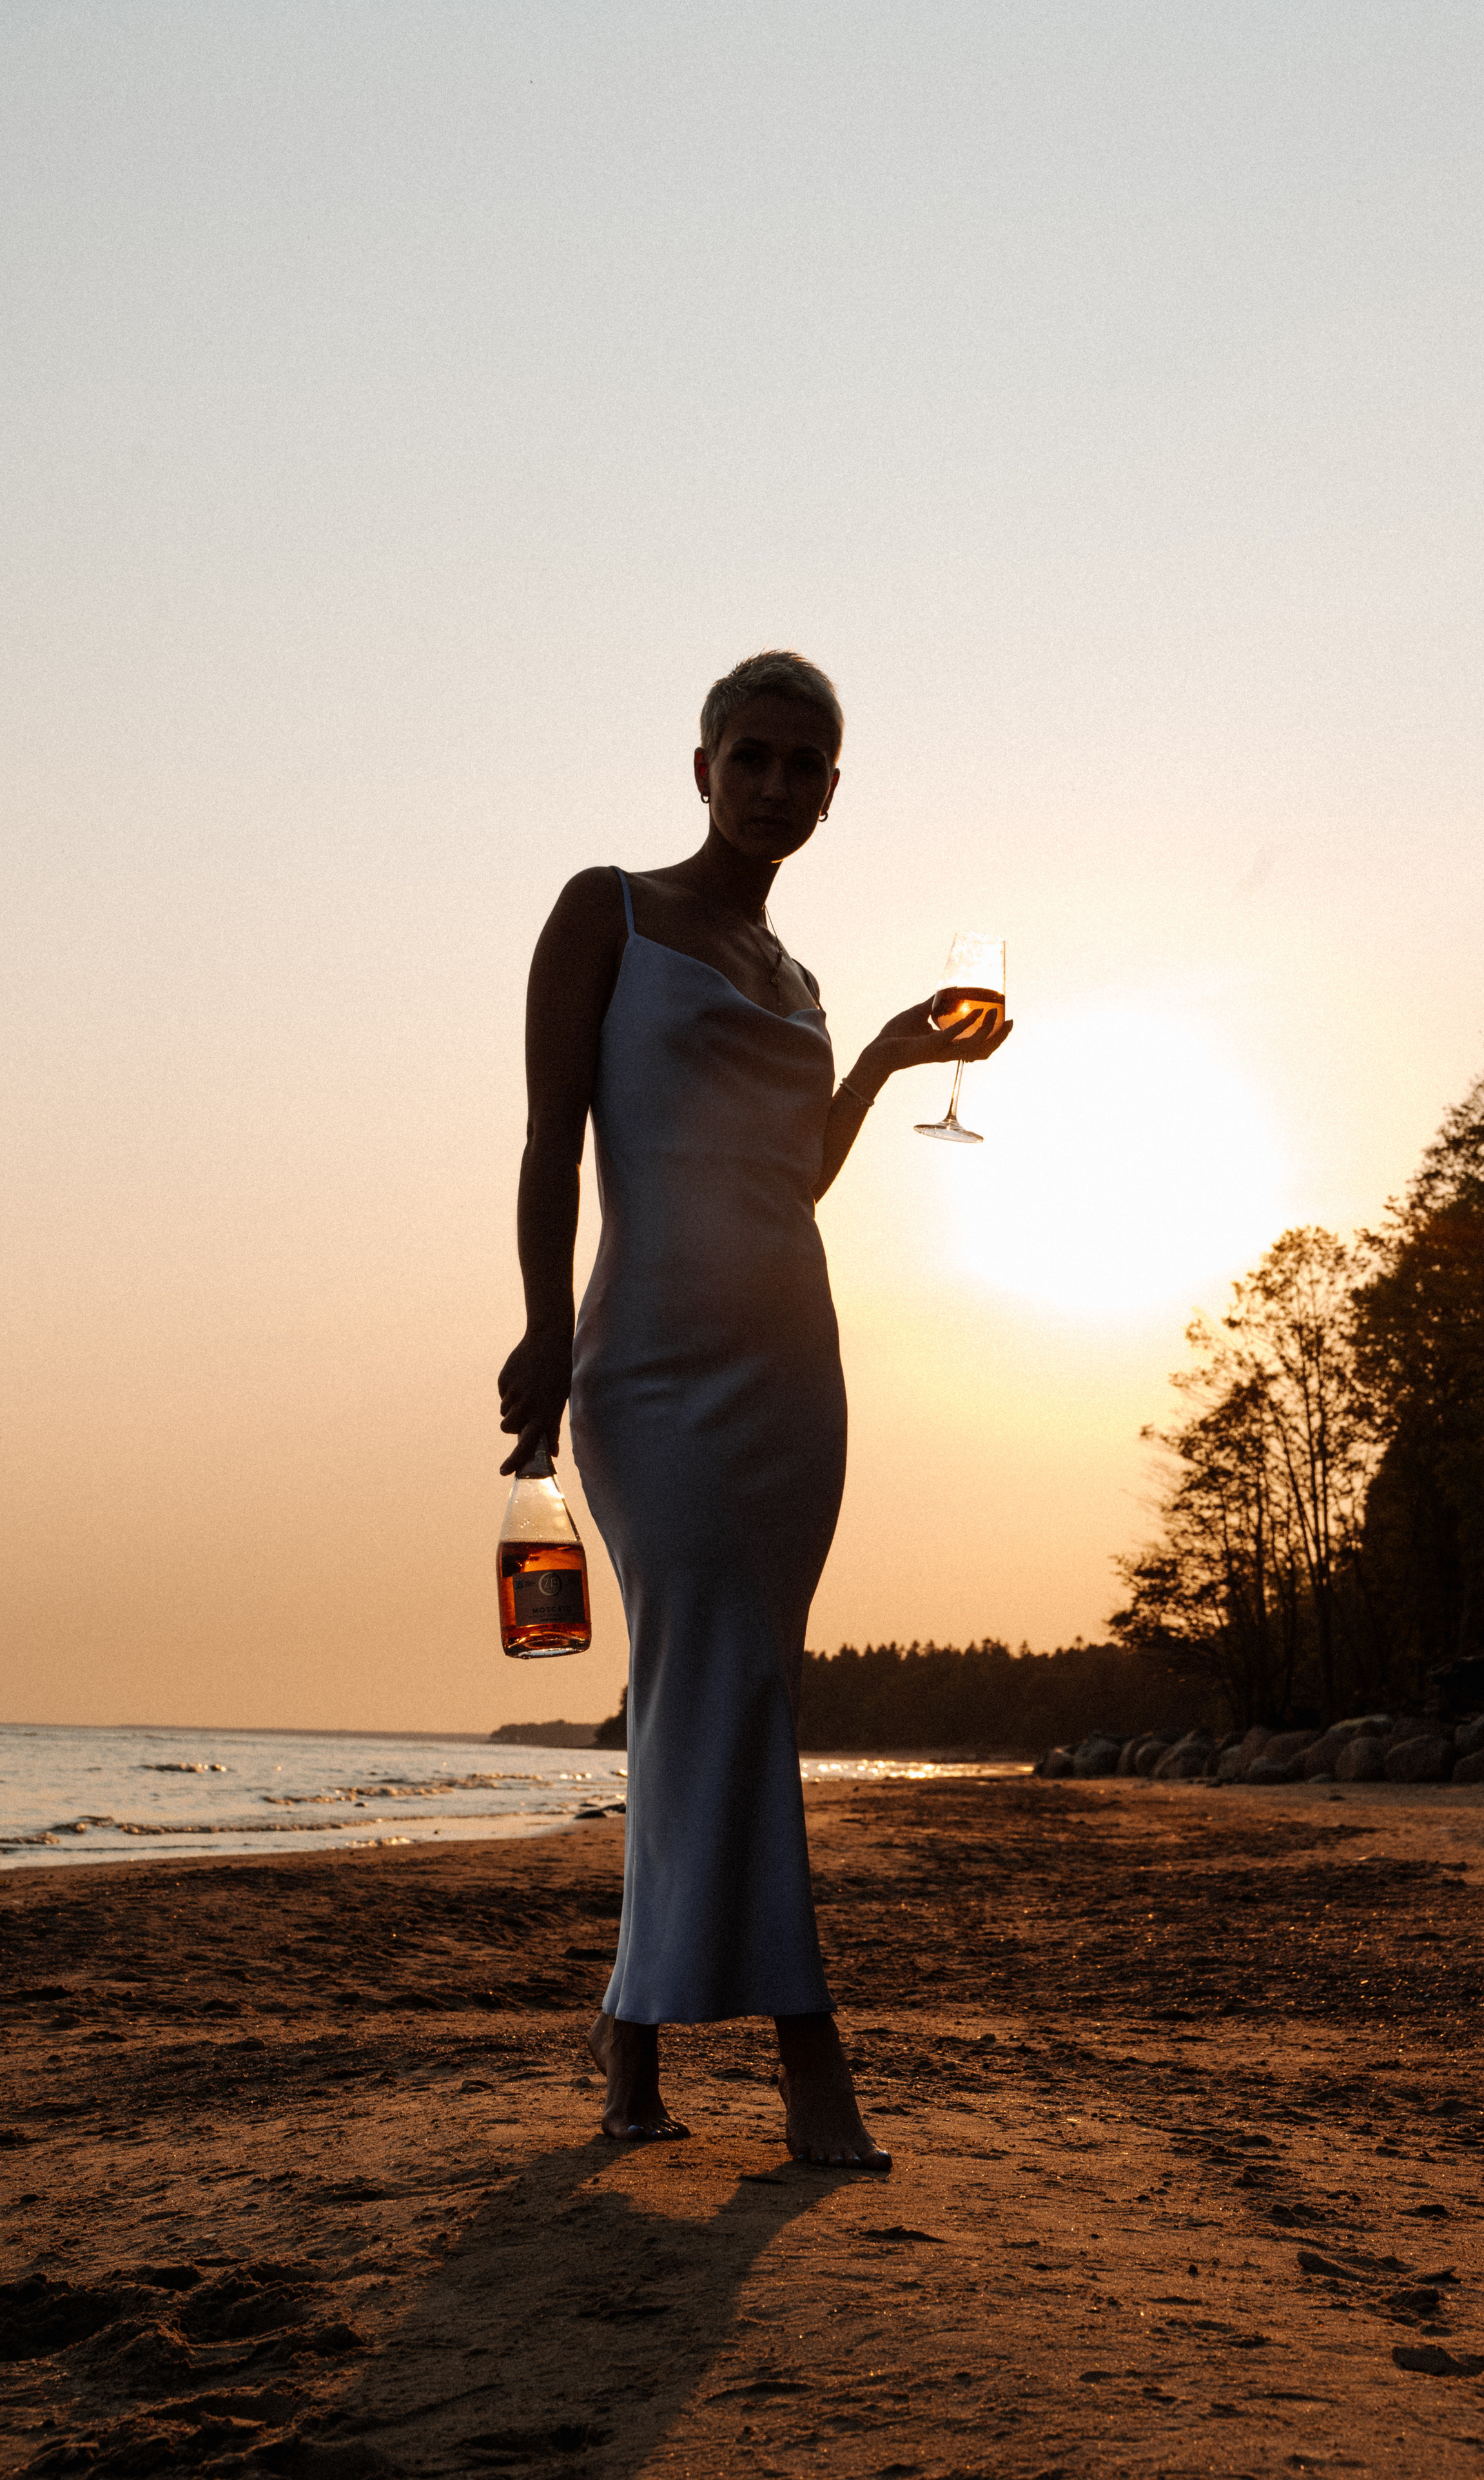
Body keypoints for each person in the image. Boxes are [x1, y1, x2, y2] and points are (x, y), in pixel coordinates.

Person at [498, 650, 1011, 2166]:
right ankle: (810, 2065)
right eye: (755, 757)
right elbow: (550, 1145)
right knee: (714, 1685)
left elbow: (793, 1181)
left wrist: (881, 1060)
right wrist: (539, 1324)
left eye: (807, 767)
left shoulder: (798, 981)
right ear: (703, 764)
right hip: (651, 1359)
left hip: (791, 1360)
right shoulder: (609, 908)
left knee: (714, 1693)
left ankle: (628, 2050)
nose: (778, 785)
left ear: (831, 791)